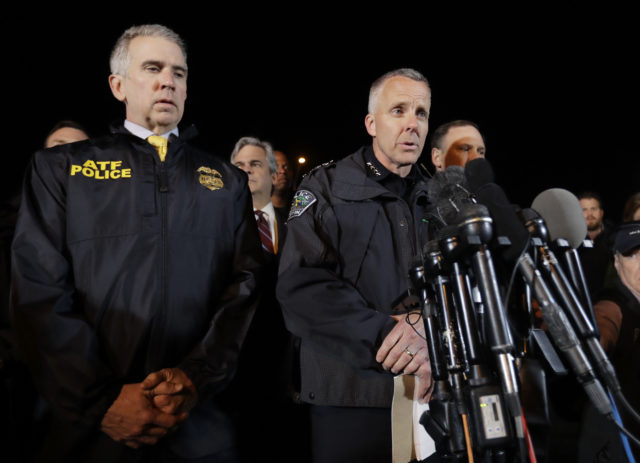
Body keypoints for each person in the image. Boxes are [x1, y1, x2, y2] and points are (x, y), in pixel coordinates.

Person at [10, 24, 263, 462]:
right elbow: (38, 288)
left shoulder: (227, 182)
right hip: (91, 425)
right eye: (153, 68)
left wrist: (194, 378)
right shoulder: (62, 169)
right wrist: (100, 399)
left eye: (179, 73)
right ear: (118, 85)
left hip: (197, 421)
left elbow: (243, 289)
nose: (169, 80)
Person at [276, 68, 437, 463]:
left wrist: (432, 337)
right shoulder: (324, 189)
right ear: (371, 122)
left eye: (421, 112)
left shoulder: (439, 197)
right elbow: (302, 287)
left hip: (431, 394)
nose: (412, 124)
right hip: (350, 395)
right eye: (398, 110)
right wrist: (390, 337)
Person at [578, 221, 640, 461]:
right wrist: (596, 343)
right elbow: (601, 329)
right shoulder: (612, 306)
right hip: (617, 442)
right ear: (616, 262)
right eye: (632, 256)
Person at [230, 137, 287, 254]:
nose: (246, 170)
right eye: (239, 165)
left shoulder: (294, 223)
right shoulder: (220, 224)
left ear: (273, 174)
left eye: (255, 164)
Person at [577, 191, 615, 299]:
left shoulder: (615, 237)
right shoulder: (570, 240)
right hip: (579, 301)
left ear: (601, 212)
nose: (590, 214)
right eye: (584, 210)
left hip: (610, 300)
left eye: (593, 209)